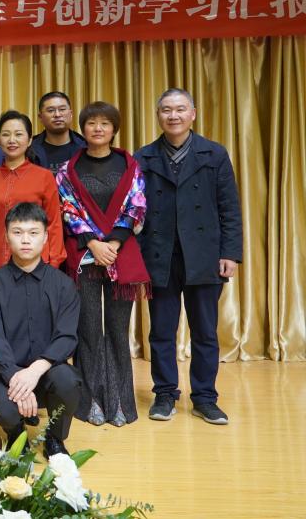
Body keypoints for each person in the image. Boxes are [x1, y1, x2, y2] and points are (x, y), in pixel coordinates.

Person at [135, 88, 242, 426]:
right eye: (166, 109)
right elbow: (135, 212)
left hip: (204, 256)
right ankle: (165, 394)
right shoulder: (144, 157)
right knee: (161, 332)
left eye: (180, 109)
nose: (174, 116)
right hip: (160, 256)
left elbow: (229, 208)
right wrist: (138, 260)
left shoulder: (214, 153)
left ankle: (205, 398)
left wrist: (230, 253)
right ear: (158, 115)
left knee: (205, 332)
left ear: (192, 114)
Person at [56, 102, 150, 427]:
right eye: (92, 123)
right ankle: (90, 402)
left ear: (114, 129)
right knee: (89, 330)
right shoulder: (67, 169)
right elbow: (67, 208)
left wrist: (114, 243)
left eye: (105, 123)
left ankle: (121, 402)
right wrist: (93, 243)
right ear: (82, 128)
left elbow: (137, 206)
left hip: (120, 255)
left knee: (117, 330)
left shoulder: (130, 165)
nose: (98, 128)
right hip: (84, 257)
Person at [0, 202, 82, 458]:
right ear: (6, 236)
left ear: (45, 237)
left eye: (33, 233)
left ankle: (55, 439)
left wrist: (34, 371)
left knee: (69, 381)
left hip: (48, 372)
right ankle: (16, 435)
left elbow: (67, 337)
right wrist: (18, 379)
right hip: (9, 374)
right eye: (18, 232)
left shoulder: (63, 285)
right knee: (3, 407)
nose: (25, 240)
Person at [0, 110, 66, 278]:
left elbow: (54, 224)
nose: (12, 140)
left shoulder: (44, 177)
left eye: (18, 134)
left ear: (29, 140)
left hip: (36, 264)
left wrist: (54, 263)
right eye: (6, 134)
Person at [32, 91, 87, 173]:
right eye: (51, 110)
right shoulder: (30, 149)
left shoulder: (86, 147)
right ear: (40, 117)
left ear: (71, 114)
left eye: (62, 109)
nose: (57, 115)